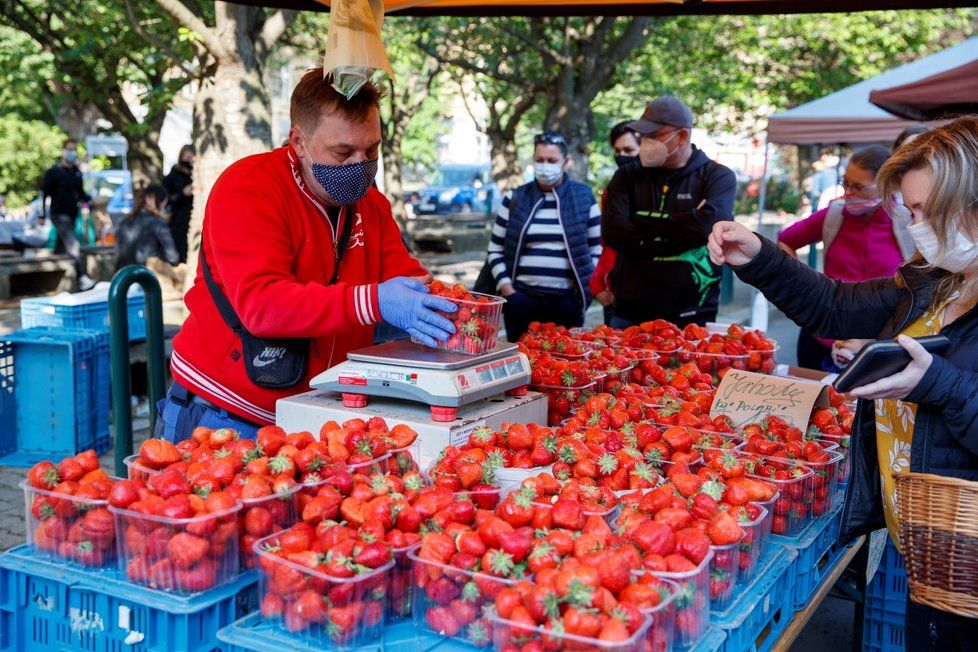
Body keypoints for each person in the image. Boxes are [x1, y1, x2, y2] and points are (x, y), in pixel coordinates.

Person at [708, 115, 978, 650]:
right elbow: (835, 305)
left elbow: (951, 390)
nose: (915, 225)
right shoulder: (936, 282)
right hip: (926, 543)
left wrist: (940, 384)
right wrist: (760, 257)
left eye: (925, 211)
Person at [159, 67, 456, 439]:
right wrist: (375, 302)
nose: (360, 165)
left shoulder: (371, 205)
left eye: (372, 149)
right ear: (298, 142)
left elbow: (406, 279)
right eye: (343, 151)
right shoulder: (249, 189)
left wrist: (453, 305)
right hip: (226, 413)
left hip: (317, 413)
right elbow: (262, 305)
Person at [602, 96, 737, 328]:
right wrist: (687, 224)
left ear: (682, 136)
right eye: (644, 136)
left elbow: (707, 228)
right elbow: (613, 232)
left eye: (654, 136)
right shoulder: (626, 176)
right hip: (629, 313)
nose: (646, 142)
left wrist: (639, 219)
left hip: (692, 314)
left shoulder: (717, 176)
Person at [777, 146, 916, 369]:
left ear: (885, 185)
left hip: (877, 344)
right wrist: (801, 286)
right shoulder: (834, 214)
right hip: (820, 338)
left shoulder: (907, 222)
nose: (848, 192)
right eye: (846, 183)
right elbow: (785, 240)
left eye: (858, 187)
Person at [485, 130, 601, 341]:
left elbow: (597, 249)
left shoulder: (584, 197)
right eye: (540, 159)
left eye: (551, 160)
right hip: (521, 300)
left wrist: (583, 290)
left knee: (564, 365)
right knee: (523, 362)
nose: (545, 165)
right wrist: (507, 288)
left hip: (566, 302)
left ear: (565, 162)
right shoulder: (515, 198)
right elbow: (495, 249)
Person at [591, 122, 641, 326]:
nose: (622, 155)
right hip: (614, 294)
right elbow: (608, 243)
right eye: (618, 150)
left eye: (629, 150)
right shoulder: (612, 190)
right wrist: (598, 283)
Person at [40, 139, 95, 290]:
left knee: (62, 245)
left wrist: (91, 201)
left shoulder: (76, 172)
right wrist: (40, 214)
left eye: (74, 150)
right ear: (63, 151)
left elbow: (81, 193)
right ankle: (82, 277)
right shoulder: (54, 172)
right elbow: (43, 193)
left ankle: (54, 276)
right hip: (58, 214)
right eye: (69, 149)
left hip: (72, 215)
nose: (72, 153)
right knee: (72, 243)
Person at [115, 184, 180, 270]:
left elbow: (118, 253)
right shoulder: (158, 223)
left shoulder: (124, 221)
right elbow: (173, 257)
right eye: (164, 206)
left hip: (124, 276)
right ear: (158, 203)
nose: (164, 210)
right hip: (147, 276)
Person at [163, 145, 195, 262]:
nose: (189, 160)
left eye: (191, 157)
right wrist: (182, 193)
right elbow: (167, 199)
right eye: (187, 157)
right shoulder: (172, 177)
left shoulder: (195, 174)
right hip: (178, 220)